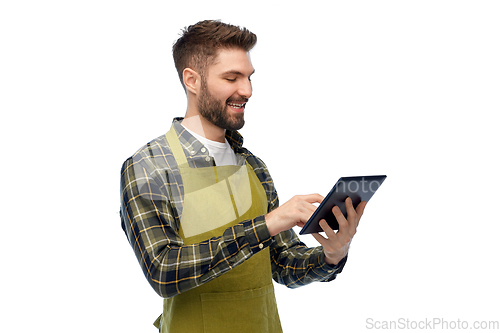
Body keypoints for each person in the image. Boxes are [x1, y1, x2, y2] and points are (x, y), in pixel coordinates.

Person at [120, 19, 366, 333]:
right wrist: (268, 224)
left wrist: (333, 254)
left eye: (249, 77)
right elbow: (164, 271)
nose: (247, 90)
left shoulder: (253, 166)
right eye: (231, 77)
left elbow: (283, 264)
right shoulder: (148, 166)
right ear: (192, 81)